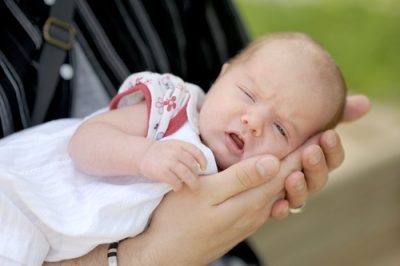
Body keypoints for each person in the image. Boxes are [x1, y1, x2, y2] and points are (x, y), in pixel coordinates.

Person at [0, 32, 371, 265]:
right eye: (247, 94)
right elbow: (84, 142)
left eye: (280, 128)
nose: (253, 120)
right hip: (20, 201)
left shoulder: (231, 179)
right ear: (221, 76)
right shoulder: (171, 109)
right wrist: (144, 156)